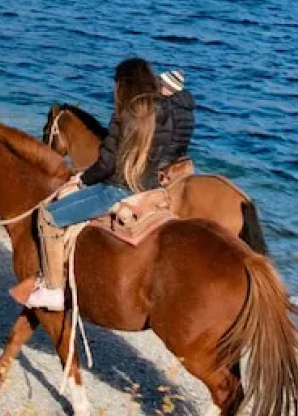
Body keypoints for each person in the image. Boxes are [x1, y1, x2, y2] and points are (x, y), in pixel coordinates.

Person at [17, 58, 195, 312]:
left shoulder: (124, 115)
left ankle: (54, 289)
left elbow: (107, 164)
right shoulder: (165, 112)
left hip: (116, 190)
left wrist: (82, 179)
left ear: (123, 85)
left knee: (47, 216)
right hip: (149, 189)